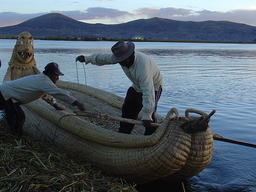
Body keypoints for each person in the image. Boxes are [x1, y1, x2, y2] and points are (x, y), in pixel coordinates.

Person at [76, 41, 163, 135]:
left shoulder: (143, 67)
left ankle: (151, 135)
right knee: (128, 108)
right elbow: (104, 58)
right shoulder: (121, 59)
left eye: (122, 60)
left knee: (150, 113)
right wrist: (87, 58)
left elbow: (148, 91)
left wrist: (146, 115)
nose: (120, 62)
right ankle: (124, 133)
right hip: (136, 86)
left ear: (129, 56)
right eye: (118, 60)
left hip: (154, 86)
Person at [0, 62, 86, 136]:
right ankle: (16, 136)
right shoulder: (44, 81)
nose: (58, 78)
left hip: (6, 93)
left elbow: (44, 95)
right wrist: (77, 103)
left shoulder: (41, 79)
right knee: (19, 116)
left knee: (14, 115)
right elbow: (59, 93)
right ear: (49, 74)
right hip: (6, 95)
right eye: (56, 75)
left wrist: (55, 105)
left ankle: (12, 133)